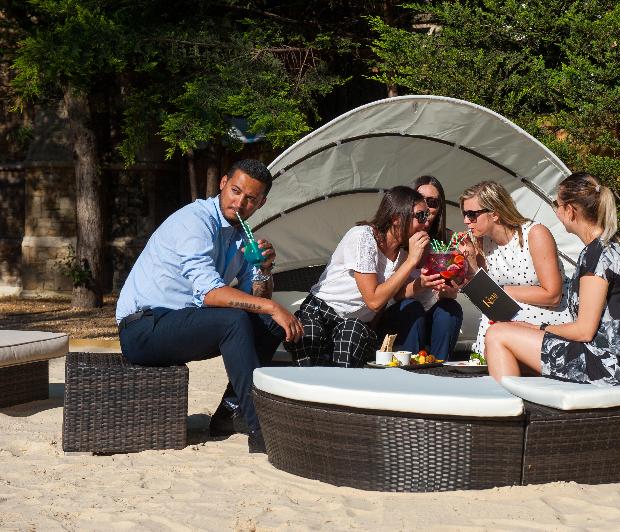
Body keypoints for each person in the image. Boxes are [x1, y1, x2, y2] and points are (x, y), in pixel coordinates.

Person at [115, 159, 303, 453]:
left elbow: (257, 297)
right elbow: (211, 295)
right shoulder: (196, 221)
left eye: (250, 199)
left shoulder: (241, 237)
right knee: (236, 320)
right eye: (236, 191)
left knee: (268, 324)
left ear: (261, 203)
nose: (239, 203)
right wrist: (273, 307)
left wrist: (264, 270)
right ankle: (260, 430)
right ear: (223, 184)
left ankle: (229, 413)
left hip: (181, 322)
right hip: (142, 328)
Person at [483, 172, 620, 386]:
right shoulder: (610, 245)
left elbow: (584, 331)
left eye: (556, 205)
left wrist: (537, 328)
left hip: (611, 367)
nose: (556, 212)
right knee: (507, 346)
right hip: (614, 361)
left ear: (570, 210)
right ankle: (523, 401)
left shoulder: (597, 255)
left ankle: (509, 405)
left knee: (497, 334)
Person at [285, 186, 434, 367]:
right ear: (396, 218)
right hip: (320, 311)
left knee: (352, 337)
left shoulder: (403, 256)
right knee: (310, 366)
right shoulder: (363, 237)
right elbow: (374, 300)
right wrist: (411, 262)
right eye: (420, 216)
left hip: (354, 323)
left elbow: (394, 295)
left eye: (427, 215)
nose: (426, 222)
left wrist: (422, 282)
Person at [457, 181, 571, 355]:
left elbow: (553, 296)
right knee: (491, 321)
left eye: (472, 215)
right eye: (465, 214)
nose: (466, 221)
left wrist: (500, 292)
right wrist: (471, 262)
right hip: (506, 316)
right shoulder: (481, 242)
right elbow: (485, 297)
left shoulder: (535, 234)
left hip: (548, 317)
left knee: (495, 326)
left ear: (495, 214)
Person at [379, 176, 464, 360]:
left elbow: (448, 292)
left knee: (450, 309)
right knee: (412, 307)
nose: (425, 207)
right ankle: (410, 369)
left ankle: (439, 366)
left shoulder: (446, 242)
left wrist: (449, 290)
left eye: (432, 202)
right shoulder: (399, 237)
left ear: (439, 208)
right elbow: (393, 295)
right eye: (420, 200)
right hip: (398, 315)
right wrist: (421, 282)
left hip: (428, 314)